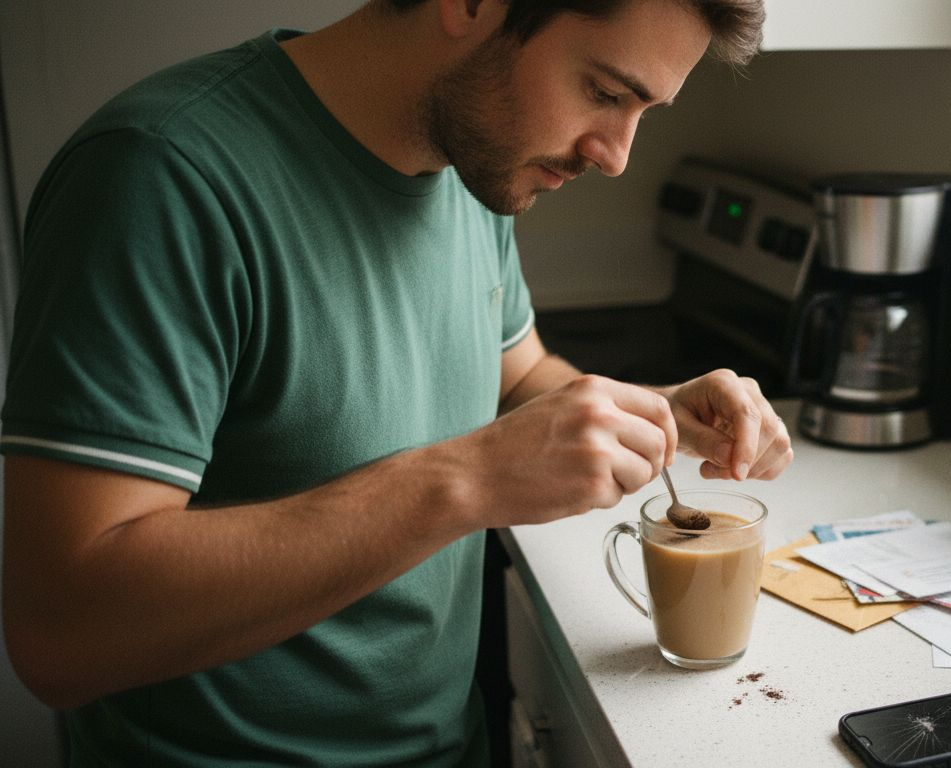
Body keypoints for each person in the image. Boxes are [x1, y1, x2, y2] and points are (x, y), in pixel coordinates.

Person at [0, 0, 787, 764]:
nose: (615, 154)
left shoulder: (476, 158)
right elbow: (61, 635)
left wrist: (658, 416)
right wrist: (464, 480)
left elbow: (519, 378)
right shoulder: (160, 175)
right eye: (607, 93)